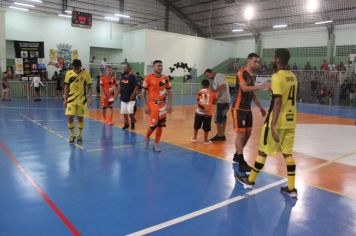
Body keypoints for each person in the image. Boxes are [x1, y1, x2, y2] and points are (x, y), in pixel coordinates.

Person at [235, 48, 299, 198]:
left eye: (273, 57)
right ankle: (291, 188)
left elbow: (277, 102)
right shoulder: (293, 77)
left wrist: (274, 126)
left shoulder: (277, 76)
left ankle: (250, 180)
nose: (271, 60)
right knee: (288, 154)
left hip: (276, 122)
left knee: (262, 152)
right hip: (291, 122)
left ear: (277, 59)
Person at [232, 53, 269, 173]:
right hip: (238, 108)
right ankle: (241, 160)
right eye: (255, 61)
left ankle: (238, 155)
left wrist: (261, 107)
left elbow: (252, 94)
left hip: (248, 109)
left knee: (247, 135)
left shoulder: (252, 76)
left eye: (258, 62)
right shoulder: (241, 73)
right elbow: (244, 88)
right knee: (241, 135)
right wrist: (261, 86)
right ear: (248, 61)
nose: (257, 64)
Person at [141, 60, 173, 152]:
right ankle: (147, 137)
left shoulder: (165, 78)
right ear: (153, 67)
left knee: (160, 125)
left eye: (161, 66)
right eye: (158, 66)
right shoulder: (148, 78)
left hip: (162, 104)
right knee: (153, 124)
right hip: (152, 104)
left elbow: (170, 92)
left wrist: (170, 105)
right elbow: (142, 91)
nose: (160, 67)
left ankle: (156, 143)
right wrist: (145, 105)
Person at [63, 59, 93, 144]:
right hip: (71, 99)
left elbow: (90, 86)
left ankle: (79, 135)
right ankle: (72, 135)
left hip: (81, 100)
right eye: (74, 68)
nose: (76, 69)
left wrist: (90, 97)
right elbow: (66, 86)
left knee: (80, 118)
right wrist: (65, 99)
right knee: (69, 117)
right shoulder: (69, 73)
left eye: (77, 68)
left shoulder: (86, 74)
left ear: (81, 66)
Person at [204, 69, 231, 141]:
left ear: (212, 72)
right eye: (206, 76)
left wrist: (214, 91)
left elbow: (223, 86)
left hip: (223, 101)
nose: (208, 77)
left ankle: (219, 135)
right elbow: (217, 91)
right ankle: (222, 135)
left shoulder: (219, 76)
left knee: (217, 119)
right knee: (222, 118)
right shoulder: (214, 80)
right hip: (221, 101)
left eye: (208, 75)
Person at [192, 79, 217, 144]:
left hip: (199, 112)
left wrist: (202, 107)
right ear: (209, 85)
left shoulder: (199, 92)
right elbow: (215, 102)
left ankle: (194, 138)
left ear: (202, 85)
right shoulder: (212, 92)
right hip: (208, 113)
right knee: (206, 127)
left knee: (196, 125)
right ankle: (205, 140)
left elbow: (197, 100)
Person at [119, 65, 139, 129]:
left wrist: (132, 95)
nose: (124, 69)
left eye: (125, 68)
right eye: (124, 68)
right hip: (123, 97)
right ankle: (126, 123)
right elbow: (120, 87)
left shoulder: (133, 77)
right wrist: (116, 94)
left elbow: (136, 87)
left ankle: (133, 122)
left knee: (130, 111)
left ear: (129, 69)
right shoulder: (122, 77)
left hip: (131, 98)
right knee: (124, 112)